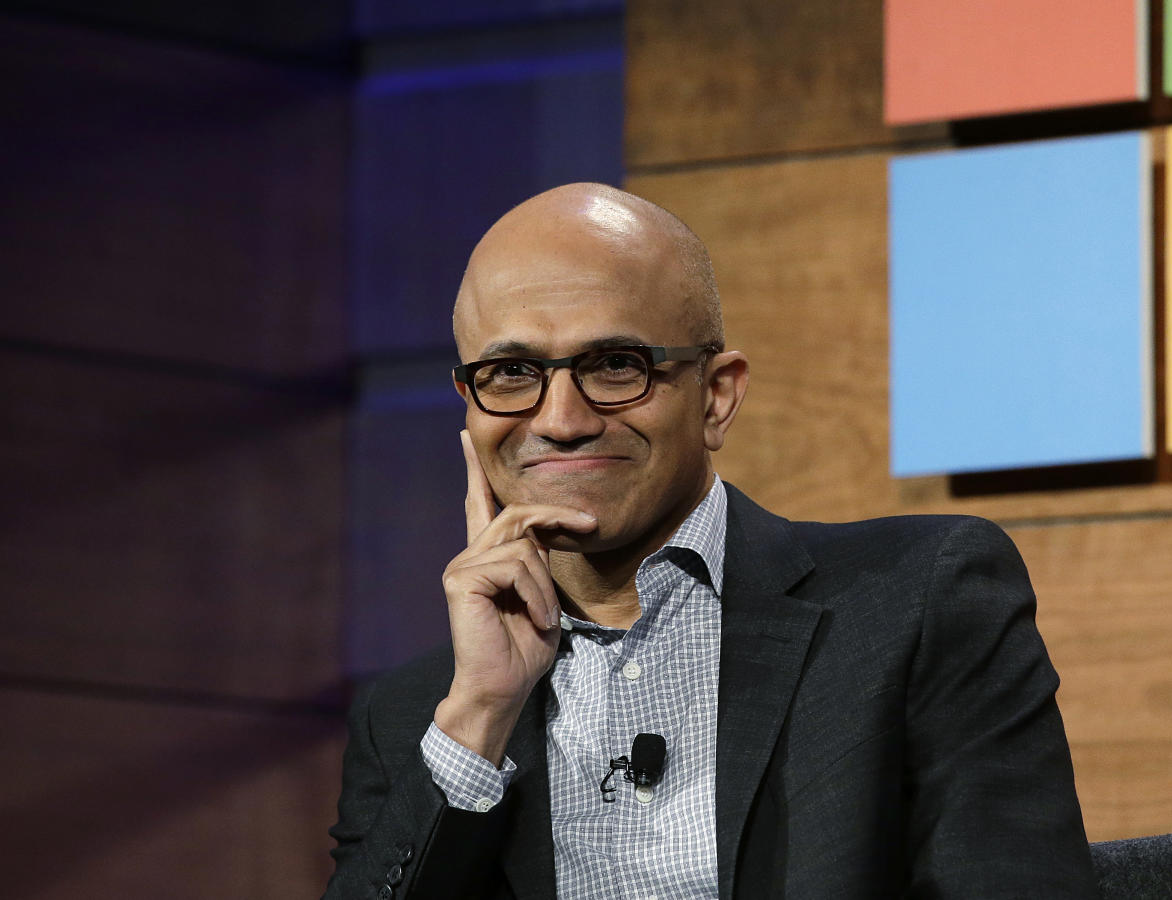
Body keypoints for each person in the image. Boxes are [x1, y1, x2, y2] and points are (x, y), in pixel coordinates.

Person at [324, 183, 1099, 899]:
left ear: (716, 397)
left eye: (615, 364)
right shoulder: (414, 721)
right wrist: (481, 716)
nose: (559, 419)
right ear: (469, 404)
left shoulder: (916, 603)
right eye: (511, 371)